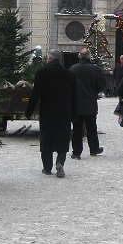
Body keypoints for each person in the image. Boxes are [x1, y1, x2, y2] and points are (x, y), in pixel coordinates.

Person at [25, 48, 77, 178]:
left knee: (47, 139)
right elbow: (75, 97)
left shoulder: (42, 73)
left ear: (49, 59)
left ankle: (47, 167)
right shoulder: (70, 75)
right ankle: (60, 162)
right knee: (63, 138)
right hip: (64, 112)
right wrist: (74, 115)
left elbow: (35, 94)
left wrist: (29, 111)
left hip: (47, 111)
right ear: (60, 60)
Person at [69, 48, 105, 158]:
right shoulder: (95, 69)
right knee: (92, 127)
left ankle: (76, 152)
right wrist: (94, 91)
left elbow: (69, 86)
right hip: (90, 102)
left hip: (77, 103)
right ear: (89, 57)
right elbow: (101, 85)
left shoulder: (72, 69)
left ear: (79, 56)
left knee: (77, 129)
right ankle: (94, 148)